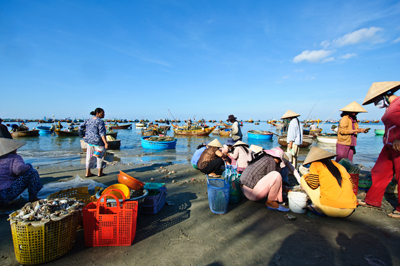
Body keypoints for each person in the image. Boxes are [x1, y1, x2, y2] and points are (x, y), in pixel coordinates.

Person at [359, 81, 400, 219]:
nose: (376, 103)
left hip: (398, 145)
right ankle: (372, 200)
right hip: (388, 146)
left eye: (377, 100)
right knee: (378, 171)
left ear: (385, 95)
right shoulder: (389, 108)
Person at [301, 147, 357, 218]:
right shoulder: (340, 166)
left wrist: (306, 175)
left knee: (303, 179)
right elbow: (352, 185)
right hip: (349, 209)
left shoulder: (315, 164)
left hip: (330, 210)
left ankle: (319, 208)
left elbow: (313, 185)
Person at [240, 145, 289, 212]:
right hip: (252, 194)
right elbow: (273, 180)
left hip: (244, 190)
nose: (279, 162)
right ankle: (271, 203)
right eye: (279, 160)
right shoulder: (271, 160)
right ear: (277, 158)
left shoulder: (262, 158)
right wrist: (287, 190)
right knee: (276, 175)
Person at [0, 138, 43, 204]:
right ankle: (33, 198)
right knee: (32, 172)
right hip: (5, 194)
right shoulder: (14, 157)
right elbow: (19, 170)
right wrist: (29, 165)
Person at [79, 108, 108, 177]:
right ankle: (100, 173)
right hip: (98, 143)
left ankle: (88, 172)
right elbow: (102, 133)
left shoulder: (88, 120)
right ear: (98, 113)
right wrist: (106, 143)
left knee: (89, 157)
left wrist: (82, 135)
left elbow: (80, 127)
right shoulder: (100, 121)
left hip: (89, 142)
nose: (104, 114)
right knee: (100, 157)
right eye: (102, 113)